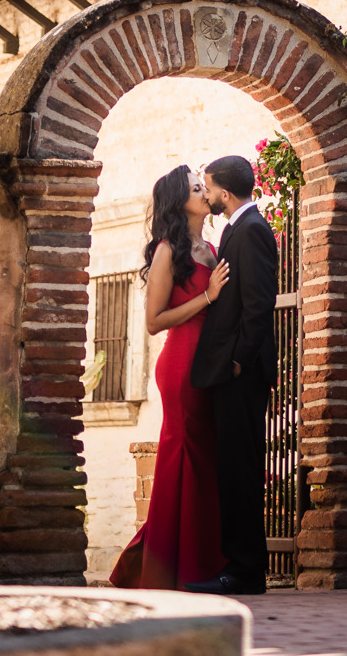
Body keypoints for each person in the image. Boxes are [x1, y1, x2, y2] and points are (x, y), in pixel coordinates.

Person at [108, 164, 229, 589]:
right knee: (182, 460)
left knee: (205, 461)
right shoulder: (166, 250)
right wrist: (208, 296)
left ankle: (200, 563)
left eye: (204, 187)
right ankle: (165, 569)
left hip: (210, 365)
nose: (205, 193)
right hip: (179, 365)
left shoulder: (211, 251)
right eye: (197, 189)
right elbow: (154, 322)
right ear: (181, 201)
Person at [182, 154, 278, 596]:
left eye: (208, 186)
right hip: (230, 371)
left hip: (241, 372)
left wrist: (239, 360)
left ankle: (244, 571)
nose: (207, 193)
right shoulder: (237, 229)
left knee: (240, 471)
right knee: (232, 469)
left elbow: (259, 306)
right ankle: (239, 566)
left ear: (224, 191)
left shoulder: (252, 230)